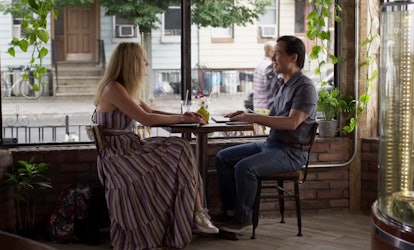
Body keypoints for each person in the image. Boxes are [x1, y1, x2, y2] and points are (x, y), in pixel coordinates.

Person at [92, 42, 218, 250]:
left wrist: (185, 116)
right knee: (180, 150)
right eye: (143, 59)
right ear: (131, 62)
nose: (146, 63)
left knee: (181, 150)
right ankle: (197, 214)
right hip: (118, 155)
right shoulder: (113, 88)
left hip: (129, 148)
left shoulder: (123, 88)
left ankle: (197, 214)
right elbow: (146, 119)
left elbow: (151, 110)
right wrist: (181, 119)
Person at [214, 35, 317, 233]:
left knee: (245, 167)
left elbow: (291, 122)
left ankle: (241, 219)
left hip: (291, 153)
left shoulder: (305, 87)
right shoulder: (284, 84)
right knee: (223, 157)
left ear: (293, 57)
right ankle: (229, 211)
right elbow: (273, 117)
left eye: (277, 54)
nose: (273, 58)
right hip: (272, 144)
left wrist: (252, 118)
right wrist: (247, 114)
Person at [253, 40, 276, 111]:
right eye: (276, 52)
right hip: (265, 108)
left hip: (258, 105)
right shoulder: (269, 67)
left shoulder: (260, 65)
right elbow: (272, 90)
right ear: (270, 52)